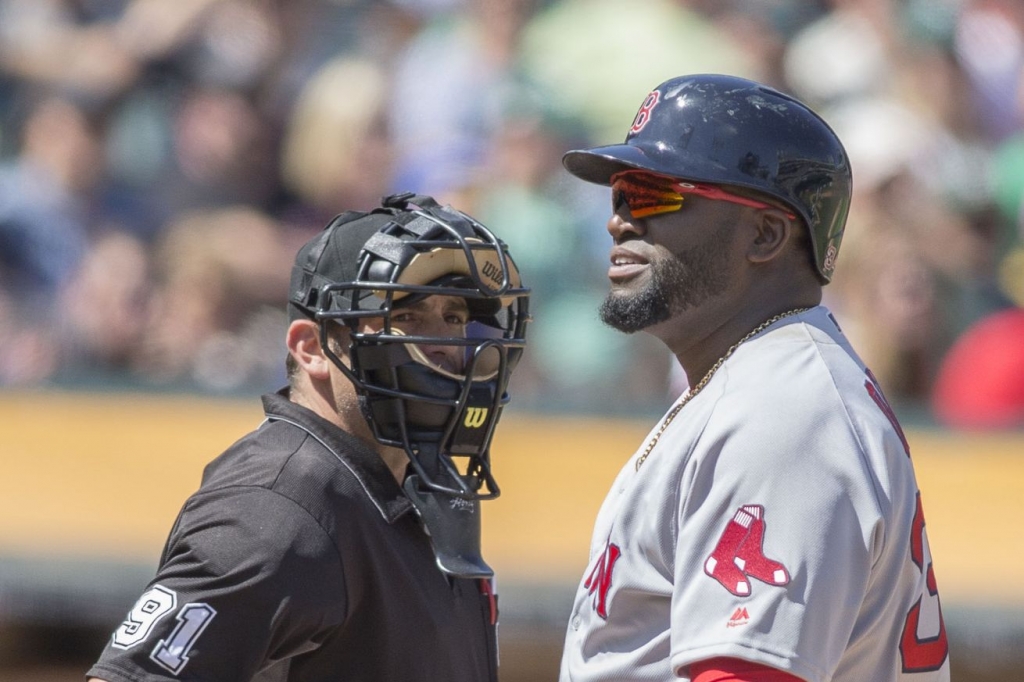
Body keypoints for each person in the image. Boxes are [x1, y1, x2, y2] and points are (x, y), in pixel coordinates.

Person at [558, 74, 950, 682]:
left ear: (765, 234)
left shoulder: (784, 408)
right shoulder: (754, 381)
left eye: (655, 194)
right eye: (619, 194)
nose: (620, 221)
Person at [85, 192, 530, 682]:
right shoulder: (280, 506)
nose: (446, 348)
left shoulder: (422, 484)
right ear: (312, 348)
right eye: (407, 317)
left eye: (454, 319)